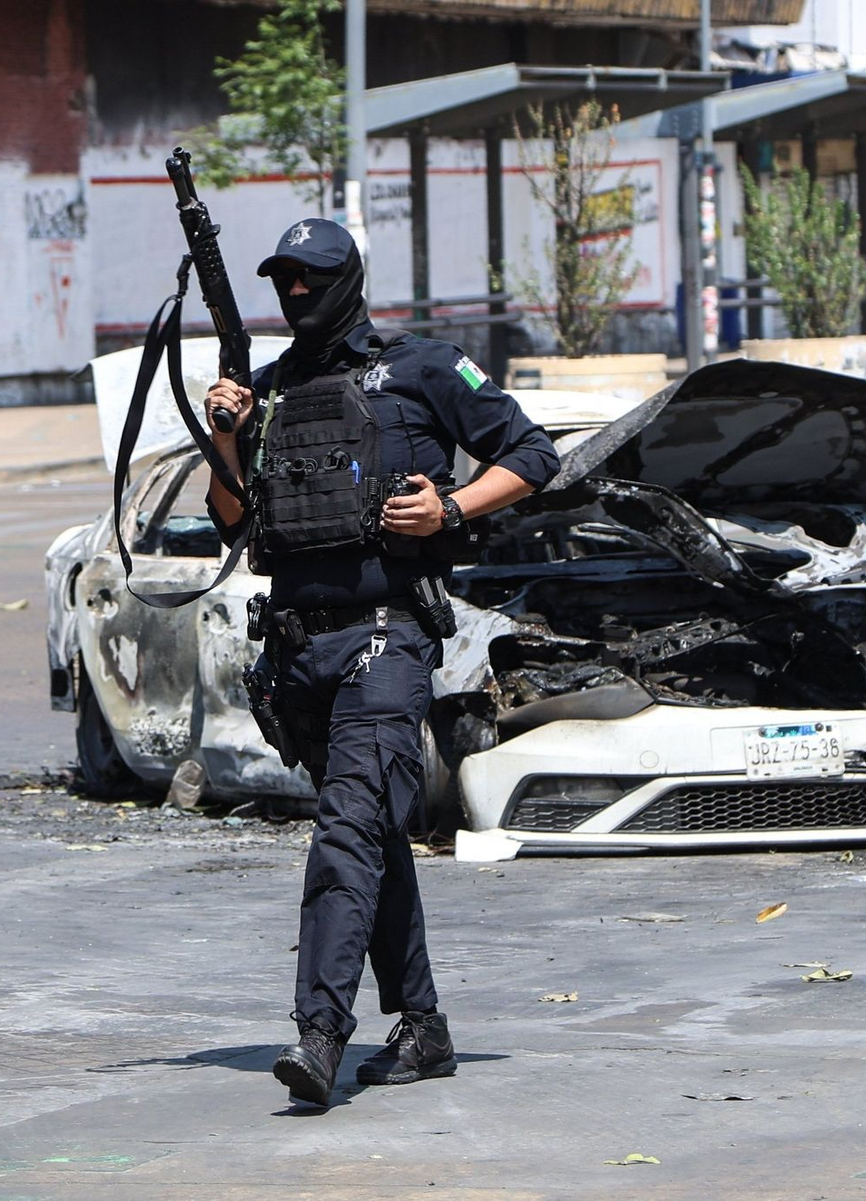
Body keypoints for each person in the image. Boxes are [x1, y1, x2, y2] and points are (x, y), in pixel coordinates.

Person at [203, 217, 560, 1107]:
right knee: (370, 840)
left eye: (307, 278)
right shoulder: (272, 392)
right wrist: (225, 436)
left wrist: (452, 509)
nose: (292, 294)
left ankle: (319, 1033)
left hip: (385, 640)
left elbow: (535, 453)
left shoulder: (426, 368)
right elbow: (231, 521)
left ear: (345, 280)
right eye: (279, 279)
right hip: (297, 651)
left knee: (346, 834)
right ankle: (425, 1026)